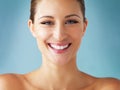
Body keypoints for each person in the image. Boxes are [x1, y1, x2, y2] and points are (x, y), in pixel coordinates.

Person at [0, 0, 120, 90]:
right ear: (32, 27)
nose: (59, 35)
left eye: (71, 21)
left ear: (84, 27)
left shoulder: (110, 88)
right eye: (47, 22)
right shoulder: (7, 86)